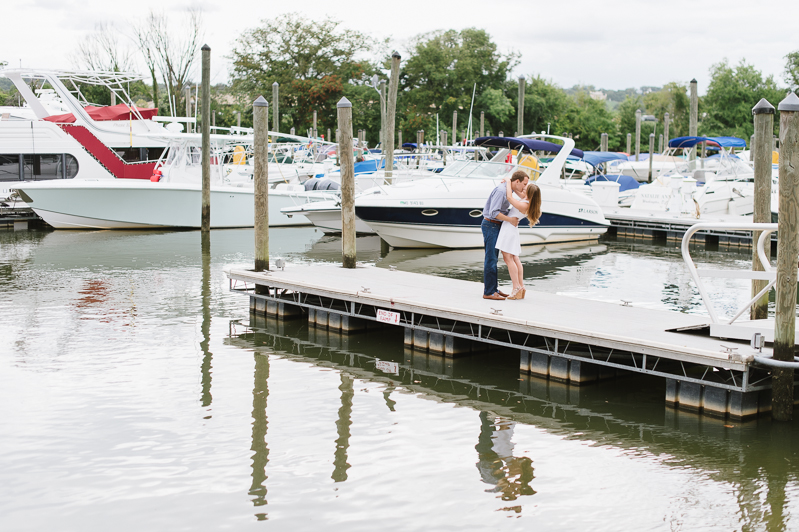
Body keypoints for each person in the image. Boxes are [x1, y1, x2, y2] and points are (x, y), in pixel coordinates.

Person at [481, 170, 529, 300]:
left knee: (494, 259)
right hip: (491, 225)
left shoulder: (509, 189)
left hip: (497, 225)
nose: (524, 187)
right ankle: (489, 292)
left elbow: (517, 193)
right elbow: (493, 213)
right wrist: (511, 220)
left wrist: (508, 180)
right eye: (524, 184)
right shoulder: (502, 191)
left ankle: (493, 288)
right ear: (517, 181)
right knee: (491, 259)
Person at [495, 177, 542, 300]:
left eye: (526, 188)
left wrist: (508, 181)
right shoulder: (526, 200)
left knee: (508, 259)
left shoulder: (524, 204)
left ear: (529, 193)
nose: (523, 188)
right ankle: (521, 287)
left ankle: (515, 288)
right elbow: (516, 191)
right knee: (515, 258)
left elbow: (510, 197)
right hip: (512, 230)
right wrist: (510, 181)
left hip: (509, 229)